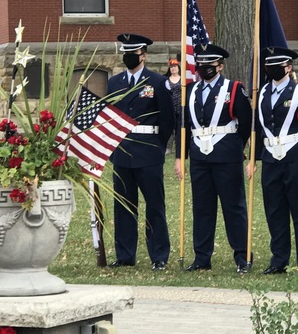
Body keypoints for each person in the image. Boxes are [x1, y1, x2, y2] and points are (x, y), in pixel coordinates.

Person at [175, 43, 253, 274]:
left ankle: (243, 257)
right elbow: (184, 126)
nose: (204, 67)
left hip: (227, 155)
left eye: (209, 64)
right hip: (199, 156)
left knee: (234, 207)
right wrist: (181, 157)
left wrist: (235, 146)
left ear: (219, 66)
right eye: (201, 63)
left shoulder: (234, 89)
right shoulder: (189, 91)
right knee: (202, 208)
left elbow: (246, 123)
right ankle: (201, 257)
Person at [247, 47, 298, 276]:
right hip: (270, 158)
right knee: (275, 211)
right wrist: (254, 158)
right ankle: (279, 259)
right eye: (269, 65)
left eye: (278, 65)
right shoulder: (261, 93)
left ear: (289, 67)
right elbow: (258, 129)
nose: (272, 69)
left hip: (296, 157)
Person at [107, 33, 175, 270]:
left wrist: (158, 145)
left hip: (149, 153)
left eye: (132, 54)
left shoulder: (157, 82)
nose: (128, 57)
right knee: (124, 206)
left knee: (154, 205)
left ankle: (159, 256)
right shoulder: (114, 83)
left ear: (143, 55)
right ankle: (125, 256)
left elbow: (168, 119)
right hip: (122, 152)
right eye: (125, 53)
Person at [164, 58, 181, 153]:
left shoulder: (183, 79)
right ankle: (168, 147)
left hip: (180, 107)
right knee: (170, 128)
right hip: (170, 107)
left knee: (179, 128)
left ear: (178, 67)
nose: (173, 68)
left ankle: (178, 147)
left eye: (175, 66)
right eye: (171, 67)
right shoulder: (166, 80)